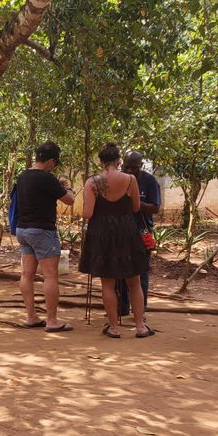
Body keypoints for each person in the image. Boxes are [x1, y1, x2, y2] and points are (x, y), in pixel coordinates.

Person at [79, 143, 153, 339]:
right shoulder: (130, 180)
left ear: (102, 162)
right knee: (134, 282)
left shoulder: (93, 182)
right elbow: (136, 207)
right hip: (127, 232)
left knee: (108, 283)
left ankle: (113, 327)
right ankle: (140, 327)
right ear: (118, 161)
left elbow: (88, 213)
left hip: (102, 234)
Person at [15, 141, 76, 332]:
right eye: (55, 163)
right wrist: (68, 188)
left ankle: (31, 316)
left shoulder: (23, 175)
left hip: (23, 230)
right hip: (42, 230)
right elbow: (70, 200)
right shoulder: (47, 178)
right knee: (50, 275)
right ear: (50, 161)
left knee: (27, 274)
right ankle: (52, 320)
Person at [118, 151, 161, 315]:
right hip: (120, 231)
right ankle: (121, 308)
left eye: (134, 168)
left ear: (141, 166)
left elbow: (155, 208)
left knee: (140, 272)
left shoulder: (149, 181)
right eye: (126, 167)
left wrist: (136, 202)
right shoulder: (119, 179)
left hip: (141, 232)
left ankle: (140, 310)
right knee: (119, 271)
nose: (129, 171)